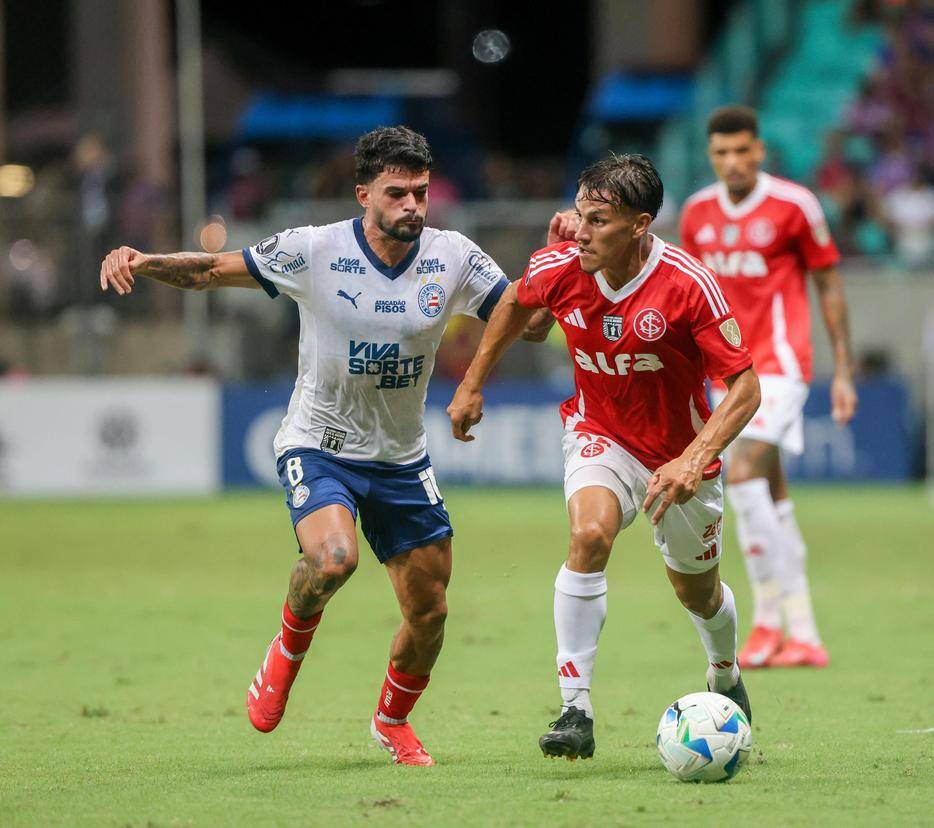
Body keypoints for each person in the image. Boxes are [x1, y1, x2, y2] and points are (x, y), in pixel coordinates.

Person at [98, 127, 510, 765]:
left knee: (430, 612)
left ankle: (392, 722)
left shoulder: (452, 255)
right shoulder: (313, 250)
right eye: (397, 193)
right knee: (334, 560)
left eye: (421, 193)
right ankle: (287, 649)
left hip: (402, 457)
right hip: (319, 444)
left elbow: (523, 313)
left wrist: (560, 262)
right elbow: (210, 269)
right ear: (363, 194)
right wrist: (144, 261)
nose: (412, 206)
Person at [447, 154, 761, 760]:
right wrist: (472, 382)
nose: (581, 232)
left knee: (697, 594)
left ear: (640, 225)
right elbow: (517, 305)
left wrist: (694, 458)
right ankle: (576, 708)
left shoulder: (688, 284)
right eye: (580, 215)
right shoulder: (561, 264)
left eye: (599, 222)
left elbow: (746, 388)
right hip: (600, 433)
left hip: (681, 455)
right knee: (588, 535)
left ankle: (724, 672)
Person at [678, 105, 856, 670]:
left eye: (742, 151)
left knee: (745, 473)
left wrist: (843, 369)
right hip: (724, 372)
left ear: (758, 151)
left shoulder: (794, 205)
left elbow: (829, 284)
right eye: (721, 153)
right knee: (773, 498)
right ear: (711, 156)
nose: (732, 161)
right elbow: (689, 298)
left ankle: (766, 622)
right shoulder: (697, 212)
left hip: (779, 364)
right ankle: (804, 633)